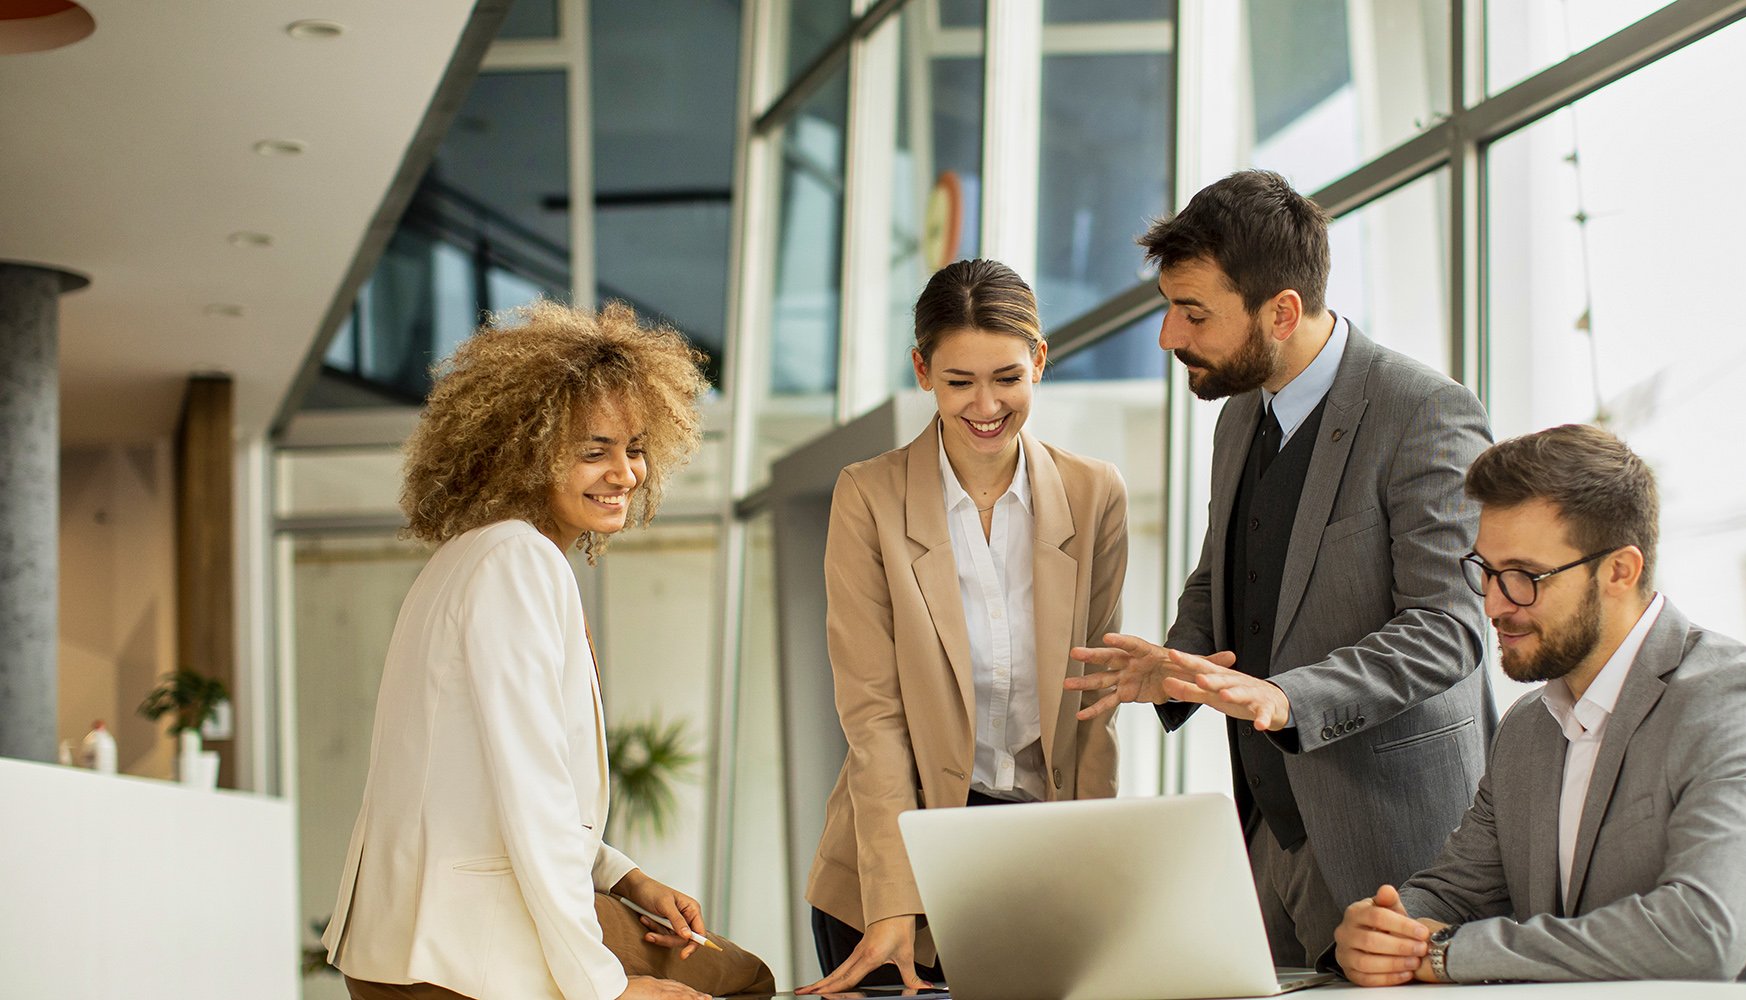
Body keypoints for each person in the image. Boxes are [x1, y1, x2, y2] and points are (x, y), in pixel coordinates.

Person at [1067, 169, 1494, 968]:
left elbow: (1450, 628)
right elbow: (1222, 571)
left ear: (1283, 311)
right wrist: (1176, 660)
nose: (1168, 337)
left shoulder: (1424, 412)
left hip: (1398, 844)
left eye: (1193, 314)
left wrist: (1285, 697)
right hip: (1268, 832)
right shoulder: (1238, 416)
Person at [322, 301, 774, 1000]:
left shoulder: (469, 558)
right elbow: (530, 793)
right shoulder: (517, 563)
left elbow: (493, 786)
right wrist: (608, 989)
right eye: (593, 451)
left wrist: (627, 878)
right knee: (744, 979)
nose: (624, 473)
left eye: (635, 448)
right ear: (526, 453)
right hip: (466, 951)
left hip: (404, 949)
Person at [1331, 424, 1746, 986]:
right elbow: (1456, 889)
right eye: (1487, 572)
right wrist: (1383, 930)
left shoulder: (1740, 701)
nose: (1496, 605)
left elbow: (1700, 935)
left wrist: (1446, 954)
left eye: (1525, 576)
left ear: (1620, 571)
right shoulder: (1529, 726)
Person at [800, 259, 1129, 993]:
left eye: (1007, 378)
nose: (987, 405)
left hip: (1038, 860)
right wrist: (894, 902)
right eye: (959, 382)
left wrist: (1097, 880)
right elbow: (874, 717)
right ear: (922, 370)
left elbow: (1094, 705)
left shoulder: (1094, 493)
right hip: (895, 861)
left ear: (1040, 361)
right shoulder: (869, 498)